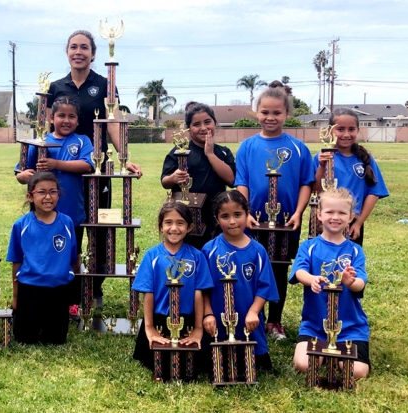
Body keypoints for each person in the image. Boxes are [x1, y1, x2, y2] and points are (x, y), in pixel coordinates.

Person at [48, 29, 142, 307]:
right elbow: (45, 126)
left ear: (93, 54)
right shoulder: (55, 87)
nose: (79, 52)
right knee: (67, 226)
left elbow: (112, 122)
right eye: (73, 47)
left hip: (96, 168)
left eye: (84, 48)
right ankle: (66, 286)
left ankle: (95, 289)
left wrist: (125, 157)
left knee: (101, 226)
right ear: (67, 52)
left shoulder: (103, 85)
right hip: (64, 171)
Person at [234, 81, 315, 340]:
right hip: (254, 221)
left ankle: (275, 321)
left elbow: (306, 183)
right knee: (253, 266)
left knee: (279, 267)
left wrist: (299, 212)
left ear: (286, 114)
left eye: (276, 113)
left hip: (286, 222)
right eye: (265, 112)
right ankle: (250, 316)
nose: (270, 117)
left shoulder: (298, 148)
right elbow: (242, 182)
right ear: (256, 112)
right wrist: (244, 212)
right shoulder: (247, 146)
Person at [15, 97, 94, 317]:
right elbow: (22, 173)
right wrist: (23, 176)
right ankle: (39, 299)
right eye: (61, 115)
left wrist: (56, 164)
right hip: (41, 216)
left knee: (71, 258)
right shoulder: (40, 141)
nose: (66, 120)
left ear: (78, 121)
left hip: (72, 214)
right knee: (41, 256)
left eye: (71, 116)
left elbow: (87, 165)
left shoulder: (82, 141)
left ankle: (70, 301)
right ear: (51, 118)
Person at [290, 187, 370, 378]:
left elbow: (360, 283)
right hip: (315, 326)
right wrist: (312, 279)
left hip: (350, 327)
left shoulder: (355, 251)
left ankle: (335, 351)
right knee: (303, 364)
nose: (336, 217)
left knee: (356, 371)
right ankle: (324, 351)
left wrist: (350, 282)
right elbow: (299, 271)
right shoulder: (309, 247)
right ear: (319, 214)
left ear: (351, 217)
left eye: (342, 212)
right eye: (330, 212)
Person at [132, 202, 213, 380]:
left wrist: (198, 329)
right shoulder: (152, 256)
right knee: (160, 366)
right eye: (168, 222)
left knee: (190, 368)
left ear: (189, 227)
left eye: (180, 223)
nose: (174, 228)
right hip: (159, 320)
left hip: (188, 321)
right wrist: (150, 327)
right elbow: (148, 293)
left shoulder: (196, 256)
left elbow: (199, 293)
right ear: (160, 226)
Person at [201, 190, 279, 371]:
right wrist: (208, 314)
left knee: (257, 366)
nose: (232, 221)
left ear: (247, 214)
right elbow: (203, 288)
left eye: (238, 215)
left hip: (248, 321)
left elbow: (264, 287)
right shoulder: (209, 250)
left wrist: (253, 312)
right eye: (225, 216)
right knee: (214, 364)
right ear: (217, 218)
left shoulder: (258, 251)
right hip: (217, 322)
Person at [7, 172, 79, 345]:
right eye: (41, 192)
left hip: (58, 290)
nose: (48, 197)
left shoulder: (67, 223)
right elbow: (16, 261)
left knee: (55, 339)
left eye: (53, 192)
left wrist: (66, 280)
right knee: (25, 339)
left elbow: (74, 258)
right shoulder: (21, 225)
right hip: (30, 289)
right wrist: (16, 296)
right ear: (30, 196)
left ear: (58, 195)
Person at [161, 102, 236, 249]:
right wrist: (173, 178)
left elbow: (231, 180)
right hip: (187, 215)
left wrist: (210, 154)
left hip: (216, 214)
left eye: (207, 122)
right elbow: (164, 181)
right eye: (196, 124)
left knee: (213, 253)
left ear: (215, 123)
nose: (203, 128)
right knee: (189, 252)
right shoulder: (180, 152)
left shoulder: (223, 152)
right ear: (189, 128)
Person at [313, 108, 389, 246]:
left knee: (348, 261)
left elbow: (374, 192)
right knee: (322, 260)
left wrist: (358, 223)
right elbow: (316, 190)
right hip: (326, 218)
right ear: (330, 131)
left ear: (358, 130)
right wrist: (322, 166)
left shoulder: (365, 159)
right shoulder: (321, 158)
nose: (346, 134)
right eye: (340, 129)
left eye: (351, 129)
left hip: (351, 220)